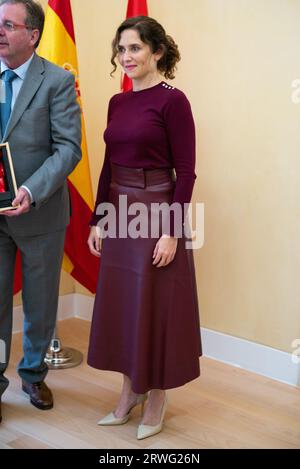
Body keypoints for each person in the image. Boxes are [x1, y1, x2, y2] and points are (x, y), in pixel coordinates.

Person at [87, 16, 201, 440]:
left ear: (157, 52)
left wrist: (172, 230)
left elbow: (186, 172)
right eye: (121, 49)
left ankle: (156, 396)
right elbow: (107, 165)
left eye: (134, 48)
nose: (126, 57)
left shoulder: (174, 101)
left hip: (156, 213)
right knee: (125, 305)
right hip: (119, 212)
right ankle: (128, 391)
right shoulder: (118, 103)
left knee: (155, 305)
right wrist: (99, 218)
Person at [0, 0, 81, 423]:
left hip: (40, 213)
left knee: (39, 304)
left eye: (7, 24)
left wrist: (32, 189)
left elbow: (69, 148)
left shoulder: (58, 81)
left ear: (32, 34)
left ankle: (33, 374)